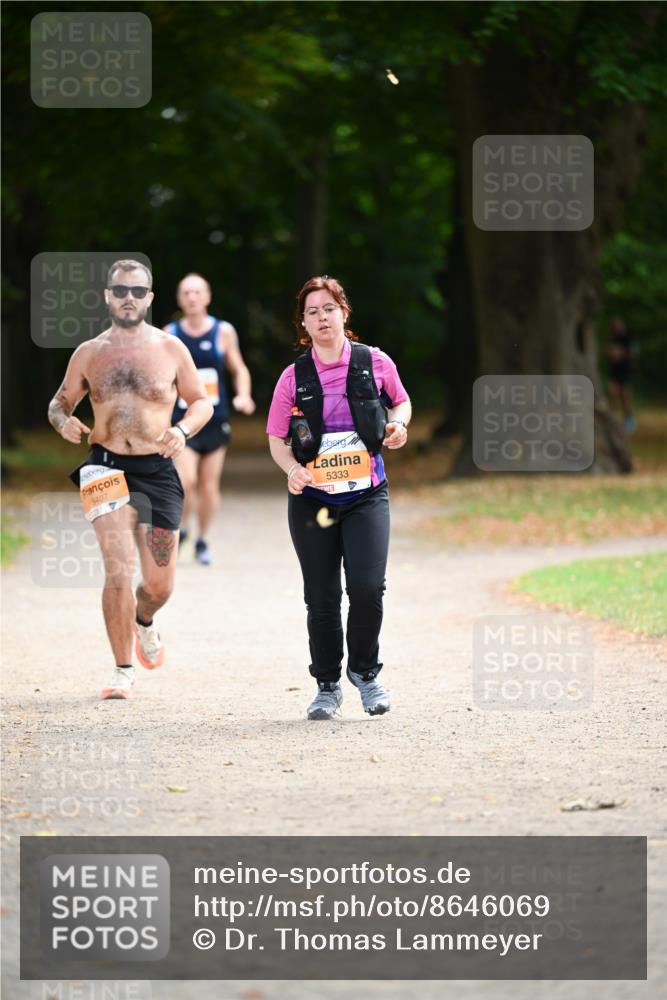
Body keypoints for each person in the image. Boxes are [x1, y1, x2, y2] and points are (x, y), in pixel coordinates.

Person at [47, 259, 213, 700]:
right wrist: (62, 421)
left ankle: (144, 621)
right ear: (107, 296)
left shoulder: (171, 349)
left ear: (150, 298)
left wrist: (181, 430)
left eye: (138, 291)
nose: (128, 298)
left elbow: (201, 403)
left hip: (158, 468)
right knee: (117, 566)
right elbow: (60, 403)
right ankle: (122, 670)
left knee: (160, 585)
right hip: (104, 464)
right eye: (120, 290)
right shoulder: (88, 352)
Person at [267, 275, 411, 720]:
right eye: (312, 311)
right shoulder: (293, 377)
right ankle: (326, 686)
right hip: (314, 499)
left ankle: (365, 674)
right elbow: (276, 438)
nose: (321, 317)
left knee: (368, 589)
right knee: (322, 596)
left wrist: (397, 425)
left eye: (328, 308)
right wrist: (292, 470)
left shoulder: (374, 362)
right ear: (303, 324)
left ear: (343, 313)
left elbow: (400, 403)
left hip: (367, 494)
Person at [165, 273, 255, 565]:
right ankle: (183, 528)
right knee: (186, 481)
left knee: (208, 486)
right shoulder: (170, 332)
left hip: (215, 420)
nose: (192, 297)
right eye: (186, 292)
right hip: (183, 420)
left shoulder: (223, 331)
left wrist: (243, 395)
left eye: (197, 292)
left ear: (207, 297)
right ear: (180, 299)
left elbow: (239, 369)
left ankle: (202, 539)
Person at [606, 316, 638, 433]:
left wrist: (620, 354)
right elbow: (608, 352)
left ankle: (629, 421)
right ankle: (612, 420)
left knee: (625, 397)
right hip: (614, 371)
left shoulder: (627, 338)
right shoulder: (611, 339)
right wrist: (612, 354)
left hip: (625, 371)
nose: (616, 328)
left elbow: (633, 353)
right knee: (612, 394)